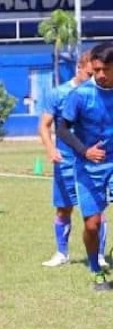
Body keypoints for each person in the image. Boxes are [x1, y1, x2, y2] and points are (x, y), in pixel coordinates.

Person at [38, 51, 108, 268]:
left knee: (97, 211)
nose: (96, 77)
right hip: (66, 160)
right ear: (80, 68)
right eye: (91, 73)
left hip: (93, 162)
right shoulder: (60, 93)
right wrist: (50, 149)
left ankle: (99, 256)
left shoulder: (101, 92)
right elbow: (45, 125)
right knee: (64, 207)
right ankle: (62, 253)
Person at [58, 41, 113, 292]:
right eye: (97, 69)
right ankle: (95, 269)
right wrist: (84, 150)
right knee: (92, 225)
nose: (101, 74)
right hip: (87, 169)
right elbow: (61, 129)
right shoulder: (80, 96)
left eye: (106, 69)